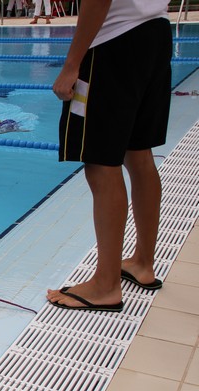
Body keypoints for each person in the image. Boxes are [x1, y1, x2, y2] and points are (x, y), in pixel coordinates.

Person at [46, 0, 171, 312]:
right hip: (155, 33)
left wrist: (72, 64)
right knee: (139, 153)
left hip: (112, 44)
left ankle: (106, 285)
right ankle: (142, 263)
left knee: (101, 163)